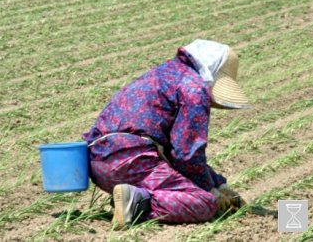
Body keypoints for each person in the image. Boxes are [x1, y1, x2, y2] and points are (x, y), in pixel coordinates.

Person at [82, 39, 250, 229]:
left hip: (98, 164)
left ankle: (134, 196)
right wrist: (210, 190)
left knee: (192, 187)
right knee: (204, 203)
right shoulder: (194, 89)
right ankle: (138, 203)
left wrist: (219, 184)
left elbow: (175, 152)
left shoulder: (162, 74)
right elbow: (186, 154)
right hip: (135, 162)